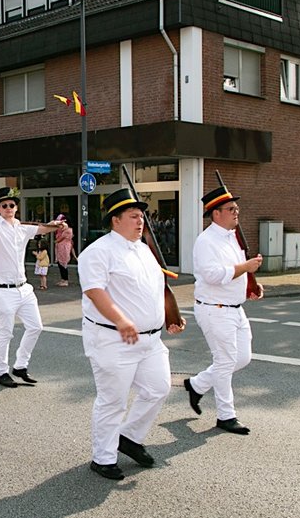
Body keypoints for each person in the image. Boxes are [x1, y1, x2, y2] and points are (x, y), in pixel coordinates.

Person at [78, 188, 185, 480]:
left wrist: (169, 315)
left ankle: (128, 437)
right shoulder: (98, 252)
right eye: (134, 216)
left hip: (150, 339)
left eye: (142, 216)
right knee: (113, 401)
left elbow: (154, 288)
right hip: (113, 338)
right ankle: (103, 458)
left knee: (158, 388)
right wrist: (121, 319)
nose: (141, 222)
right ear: (116, 220)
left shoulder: (144, 249)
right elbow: (95, 291)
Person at [183, 184, 263, 435]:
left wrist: (251, 285)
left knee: (242, 358)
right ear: (216, 213)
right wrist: (246, 267)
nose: (236, 212)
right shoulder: (206, 241)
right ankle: (226, 416)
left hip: (235, 308)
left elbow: (235, 272)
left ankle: (197, 384)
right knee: (225, 361)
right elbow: (213, 275)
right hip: (215, 309)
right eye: (231, 209)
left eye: (236, 208)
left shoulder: (232, 236)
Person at [0, 187, 65, 388]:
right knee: (5, 332)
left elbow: (43, 229)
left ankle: (20, 366)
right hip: (2, 290)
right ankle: (1, 372)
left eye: (11, 205)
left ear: (16, 208)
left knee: (36, 327)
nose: (8, 207)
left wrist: (57, 225)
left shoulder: (22, 228)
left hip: (24, 288)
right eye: (4, 205)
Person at [54, 213, 74, 287]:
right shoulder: (63, 230)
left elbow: (59, 239)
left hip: (64, 248)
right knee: (60, 264)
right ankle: (63, 279)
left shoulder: (68, 230)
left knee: (63, 264)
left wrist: (56, 241)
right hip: (60, 247)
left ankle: (65, 280)